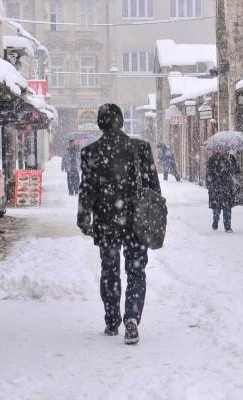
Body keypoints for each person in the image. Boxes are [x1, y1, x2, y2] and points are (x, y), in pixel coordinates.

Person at [77, 103, 161, 345]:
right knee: (136, 270)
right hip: (136, 221)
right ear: (122, 122)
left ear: (100, 124)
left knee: (109, 271)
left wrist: (84, 217)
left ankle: (112, 319)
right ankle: (132, 317)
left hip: (106, 221)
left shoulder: (91, 152)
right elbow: (153, 189)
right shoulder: (140, 148)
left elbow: (87, 190)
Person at [206, 149, 240, 233]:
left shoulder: (231, 158)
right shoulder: (212, 159)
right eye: (221, 148)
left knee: (227, 207)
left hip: (227, 187)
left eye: (225, 149)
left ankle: (227, 226)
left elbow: (237, 170)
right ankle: (216, 220)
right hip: (216, 187)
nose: (223, 150)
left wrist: (234, 168)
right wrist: (211, 184)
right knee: (216, 208)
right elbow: (208, 174)